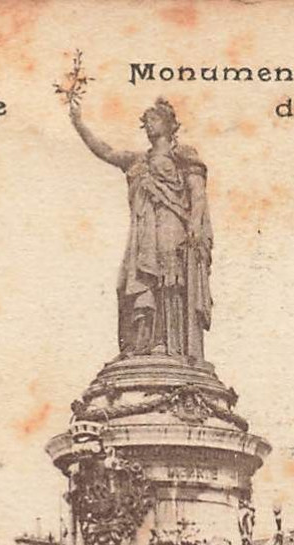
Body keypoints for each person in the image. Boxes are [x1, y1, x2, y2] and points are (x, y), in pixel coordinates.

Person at [69, 95, 213, 360]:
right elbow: (106, 151)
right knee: (134, 282)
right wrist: (79, 124)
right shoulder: (137, 161)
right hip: (144, 230)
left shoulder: (182, 155)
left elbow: (198, 193)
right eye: (146, 121)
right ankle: (141, 343)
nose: (149, 125)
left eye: (154, 120)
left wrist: (194, 224)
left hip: (172, 224)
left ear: (170, 125)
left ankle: (170, 345)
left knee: (169, 280)